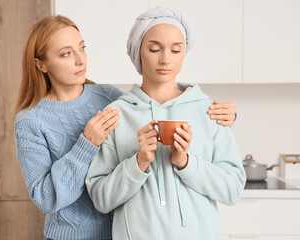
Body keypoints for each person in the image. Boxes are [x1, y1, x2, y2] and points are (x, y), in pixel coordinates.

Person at [13, 14, 237, 240]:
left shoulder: (107, 97)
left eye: (82, 48)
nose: (81, 60)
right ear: (40, 64)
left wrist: (218, 113)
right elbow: (46, 198)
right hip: (72, 235)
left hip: (119, 232)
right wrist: (87, 144)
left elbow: (151, 104)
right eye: (66, 54)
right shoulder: (31, 121)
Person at [85, 6, 246, 240]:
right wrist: (138, 163)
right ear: (138, 51)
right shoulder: (116, 114)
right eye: (154, 48)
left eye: (175, 50)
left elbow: (233, 190)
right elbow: (101, 199)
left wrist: (186, 163)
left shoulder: (209, 110)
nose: (165, 59)